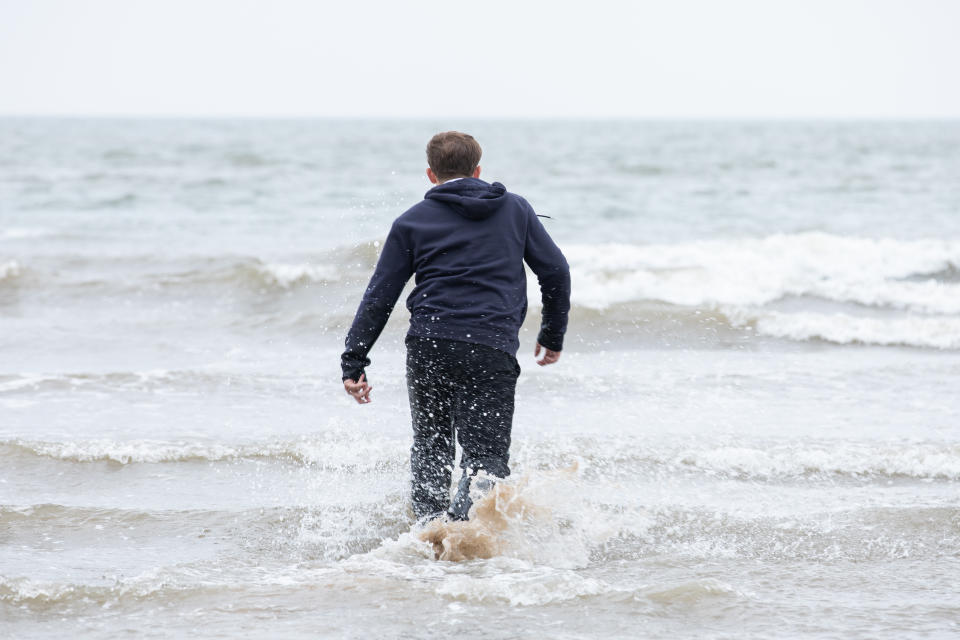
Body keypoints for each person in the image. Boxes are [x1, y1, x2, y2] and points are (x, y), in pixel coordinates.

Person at [340, 131, 570, 523]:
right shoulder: (515, 210)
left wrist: (353, 361)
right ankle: (466, 537)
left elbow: (380, 296)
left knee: (431, 448)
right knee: (486, 457)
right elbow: (555, 270)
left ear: (431, 175)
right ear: (478, 170)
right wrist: (551, 335)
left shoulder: (411, 220)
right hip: (490, 347)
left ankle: (429, 540)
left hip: (430, 345)